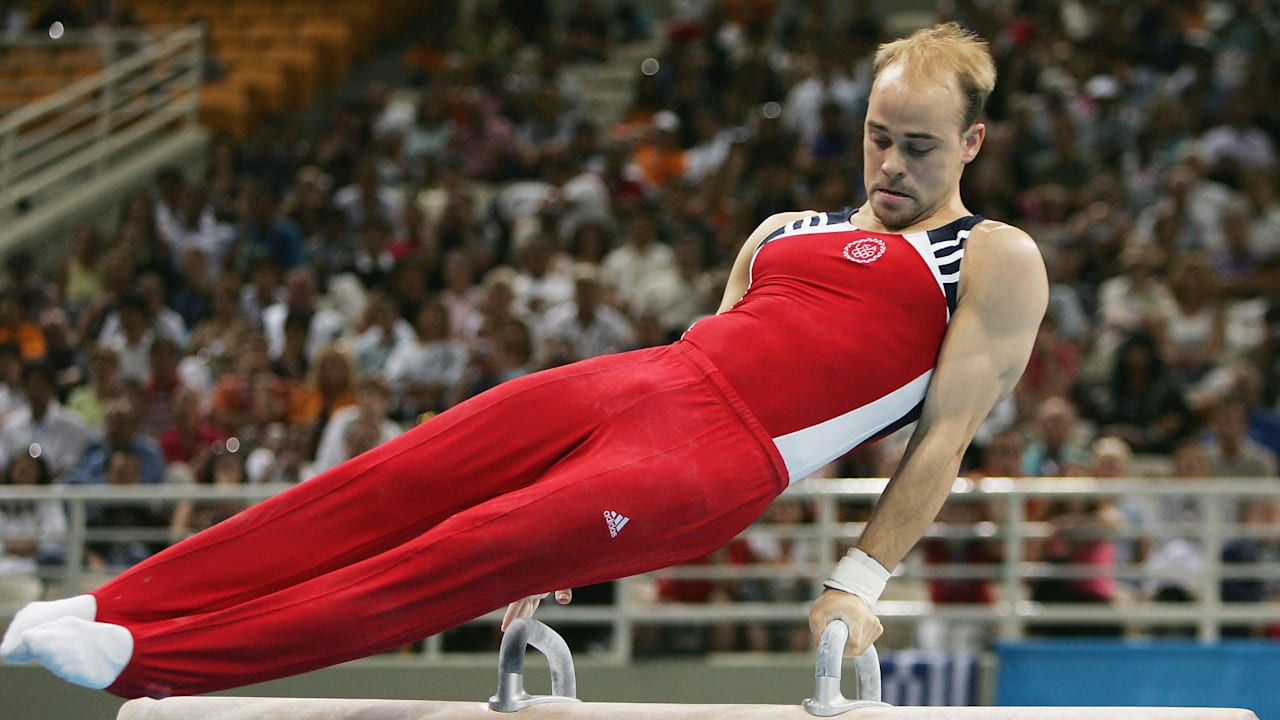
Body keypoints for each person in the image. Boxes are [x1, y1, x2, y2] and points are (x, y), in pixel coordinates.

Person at [1, 23, 1047, 700]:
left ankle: (150, 661)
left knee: (451, 555)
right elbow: (710, 342)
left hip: (716, 459)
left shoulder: (992, 258)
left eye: (917, 145)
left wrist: (856, 581)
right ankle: (112, 603)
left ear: (971, 143)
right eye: (876, 137)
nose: (889, 164)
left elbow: (942, 437)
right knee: (384, 483)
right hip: (643, 380)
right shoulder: (783, 227)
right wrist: (561, 569)